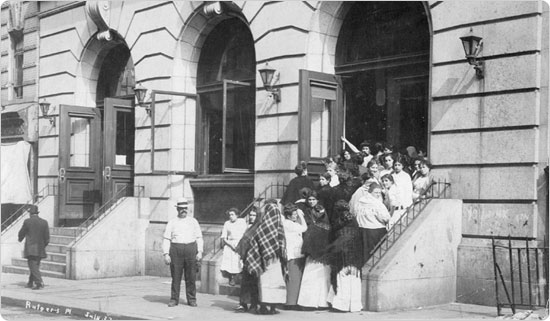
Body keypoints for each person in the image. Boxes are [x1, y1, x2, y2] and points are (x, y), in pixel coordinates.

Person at [245, 199, 287, 315]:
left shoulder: (262, 226)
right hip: (275, 258)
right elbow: (282, 241)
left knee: (265, 283)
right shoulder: (279, 225)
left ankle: (264, 307)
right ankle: (272, 307)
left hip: (264, 259)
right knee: (275, 283)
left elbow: (256, 240)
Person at [162, 197, 203, 307]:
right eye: (181, 208)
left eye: (185, 208)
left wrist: (200, 252)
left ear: (187, 209)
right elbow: (166, 239)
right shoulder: (172, 222)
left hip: (191, 249)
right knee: (176, 277)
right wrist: (166, 254)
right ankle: (174, 299)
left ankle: (192, 299)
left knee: (191, 277)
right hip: (176, 250)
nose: (183, 210)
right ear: (177, 209)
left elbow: (199, 237)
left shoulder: (193, 221)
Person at [326, 200, 363, 312]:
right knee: (354, 279)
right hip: (355, 253)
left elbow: (333, 235)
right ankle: (354, 305)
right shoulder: (354, 222)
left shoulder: (338, 222)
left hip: (342, 254)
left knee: (342, 279)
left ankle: (342, 305)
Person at [297, 204, 332, 309]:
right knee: (323, 280)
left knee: (311, 279)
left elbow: (307, 243)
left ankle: (308, 303)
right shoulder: (329, 227)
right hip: (324, 258)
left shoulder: (313, 227)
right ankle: (322, 302)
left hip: (313, 257)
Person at [234, 207, 262, 313]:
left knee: (254, 283)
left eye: (254, 215)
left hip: (256, 259)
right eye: (250, 215)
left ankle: (254, 304)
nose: (251, 217)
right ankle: (243, 304)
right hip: (246, 259)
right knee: (245, 282)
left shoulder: (259, 228)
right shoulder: (248, 227)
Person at [355, 183, 390, 261]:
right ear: (370, 192)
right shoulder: (377, 203)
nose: (378, 195)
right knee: (378, 254)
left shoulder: (360, 201)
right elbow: (385, 218)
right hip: (376, 231)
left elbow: (355, 213)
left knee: (365, 253)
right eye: (376, 192)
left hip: (363, 230)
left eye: (379, 193)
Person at [282, 203, 308, 310]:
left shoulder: (289, 223)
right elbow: (304, 228)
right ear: (288, 216)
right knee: (293, 279)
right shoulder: (289, 224)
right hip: (293, 254)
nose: (295, 216)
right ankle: (290, 302)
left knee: (294, 279)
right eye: (293, 214)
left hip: (295, 253)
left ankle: (291, 301)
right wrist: (301, 216)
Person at [18, 205, 49, 290]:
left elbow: (22, 232)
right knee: (35, 265)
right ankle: (30, 282)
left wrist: (20, 239)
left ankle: (39, 282)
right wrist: (43, 246)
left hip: (31, 248)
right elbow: (47, 238)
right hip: (40, 248)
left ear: (30, 213)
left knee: (33, 265)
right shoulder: (44, 222)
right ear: (37, 213)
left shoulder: (27, 221)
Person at [220, 207, 247, 286]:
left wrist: (240, 244)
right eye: (229, 215)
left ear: (237, 215)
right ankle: (232, 278)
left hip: (240, 242)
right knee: (230, 257)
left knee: (240, 260)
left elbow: (245, 234)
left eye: (232, 214)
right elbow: (224, 237)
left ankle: (241, 277)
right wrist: (230, 244)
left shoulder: (242, 222)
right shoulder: (227, 223)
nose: (230, 216)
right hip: (230, 243)